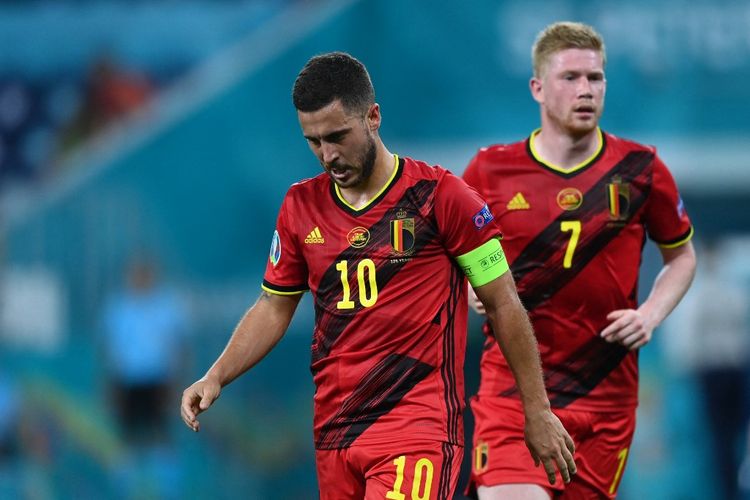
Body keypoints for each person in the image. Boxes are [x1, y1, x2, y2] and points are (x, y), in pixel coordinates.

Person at [181, 52, 575, 499]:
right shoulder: (299, 207)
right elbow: (273, 306)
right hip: (336, 435)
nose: (328, 154)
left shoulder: (442, 198)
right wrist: (216, 375)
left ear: (372, 117)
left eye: (337, 136)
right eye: (313, 141)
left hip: (417, 427)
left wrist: (537, 409)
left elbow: (504, 304)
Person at [462, 22, 697, 499]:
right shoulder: (490, 170)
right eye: (570, 77)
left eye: (596, 78)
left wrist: (650, 314)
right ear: (538, 87)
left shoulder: (639, 170)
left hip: (604, 398)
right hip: (516, 394)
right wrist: (468, 285)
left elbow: (682, 257)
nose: (586, 90)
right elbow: (450, 256)